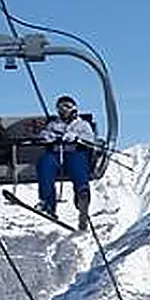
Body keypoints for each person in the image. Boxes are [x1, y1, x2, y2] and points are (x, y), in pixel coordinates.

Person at [36, 94, 97, 228]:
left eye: (67, 107)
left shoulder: (82, 125)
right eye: (60, 108)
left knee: (78, 164)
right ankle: (47, 202)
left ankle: (82, 196)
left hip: (74, 153)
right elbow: (43, 135)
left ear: (74, 109)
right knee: (45, 164)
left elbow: (90, 140)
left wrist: (77, 137)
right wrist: (49, 137)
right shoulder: (53, 124)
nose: (64, 110)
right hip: (56, 154)